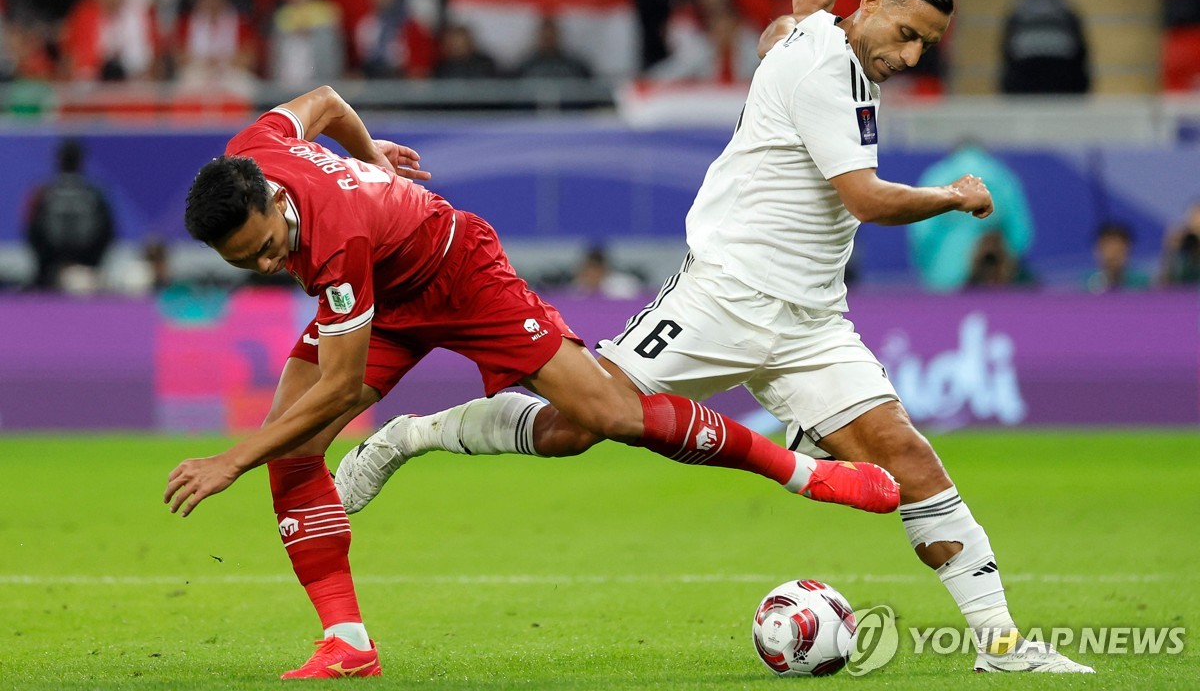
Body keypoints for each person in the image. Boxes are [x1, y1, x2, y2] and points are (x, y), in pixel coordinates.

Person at [337, 0, 1095, 674]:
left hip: (811, 325)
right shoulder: (821, 62)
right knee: (574, 426)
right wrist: (954, 196)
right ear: (868, 4)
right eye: (907, 33)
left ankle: (1001, 641)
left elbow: (777, 47)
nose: (913, 56)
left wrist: (799, 18)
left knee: (909, 459)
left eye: (927, 45)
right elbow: (865, 198)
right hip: (722, 298)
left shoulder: (819, 43)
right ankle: (414, 435)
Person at [163, 85, 899, 679]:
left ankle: (807, 474)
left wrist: (232, 457)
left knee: (609, 416)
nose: (265, 266)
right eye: (245, 262)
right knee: (292, 452)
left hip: (457, 270)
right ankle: (347, 643)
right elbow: (322, 101)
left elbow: (338, 389)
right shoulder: (254, 149)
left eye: (266, 246)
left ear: (272, 200)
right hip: (384, 296)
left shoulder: (334, 236)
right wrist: (371, 156)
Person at [908, 140, 1035, 292]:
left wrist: (927, 267)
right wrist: (1011, 256)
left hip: (944, 274)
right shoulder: (1002, 176)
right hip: (996, 278)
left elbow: (921, 232)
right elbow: (1020, 231)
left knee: (947, 315)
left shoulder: (936, 176)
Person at [24, 138, 115, 290]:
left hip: (54, 274)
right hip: (83, 272)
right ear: (81, 161)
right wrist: (90, 263)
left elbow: (32, 232)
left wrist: (50, 265)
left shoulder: (43, 194)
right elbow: (107, 232)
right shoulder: (95, 195)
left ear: (58, 160)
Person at [1000, 0, 1090, 94]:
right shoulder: (1067, 8)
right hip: (1062, 78)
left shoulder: (1018, 9)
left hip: (1024, 78)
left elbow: (1006, 51)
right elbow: (1081, 51)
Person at [1085, 221, 1150, 292]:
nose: (1113, 255)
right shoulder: (1085, 283)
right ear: (1096, 250)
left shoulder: (1143, 283)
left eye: (1118, 250)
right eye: (1108, 249)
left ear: (1129, 250)